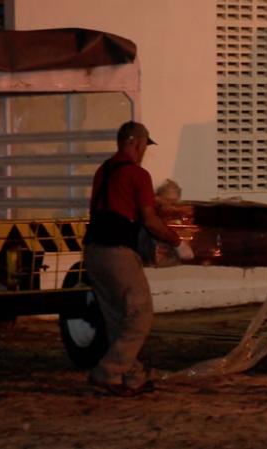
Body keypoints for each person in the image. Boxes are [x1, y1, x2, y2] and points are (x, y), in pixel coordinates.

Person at [83, 120, 194, 396]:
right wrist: (178, 242)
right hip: (117, 253)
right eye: (145, 145)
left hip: (94, 250)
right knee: (141, 314)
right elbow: (150, 221)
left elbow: (112, 206)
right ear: (136, 143)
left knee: (117, 318)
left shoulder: (103, 170)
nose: (145, 150)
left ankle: (133, 376)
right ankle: (107, 371)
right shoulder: (137, 174)